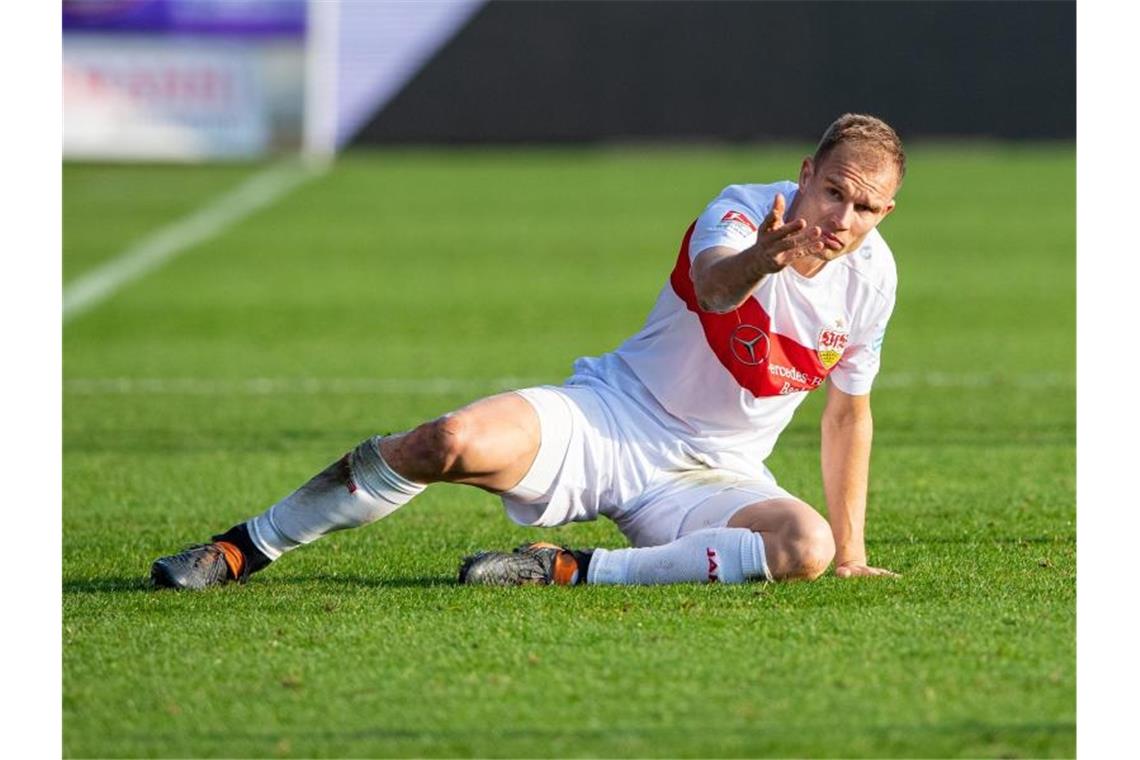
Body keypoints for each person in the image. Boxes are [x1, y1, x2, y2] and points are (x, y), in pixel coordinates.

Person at [151, 113, 905, 590]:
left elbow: (848, 414)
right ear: (806, 173)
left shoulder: (874, 281)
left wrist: (852, 551)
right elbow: (713, 289)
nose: (842, 217)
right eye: (834, 191)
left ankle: (570, 570)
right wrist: (760, 263)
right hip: (613, 417)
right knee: (446, 440)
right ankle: (243, 549)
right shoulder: (742, 211)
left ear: (885, 213)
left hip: (714, 474)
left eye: (865, 207)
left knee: (804, 544)